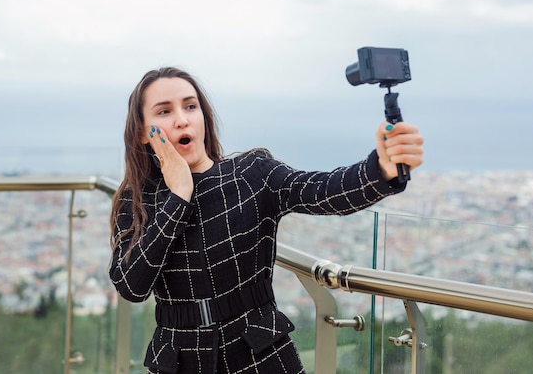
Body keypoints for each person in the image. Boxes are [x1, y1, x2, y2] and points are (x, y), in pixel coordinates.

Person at [109, 66, 424, 374]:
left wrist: (381, 170)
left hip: (260, 354)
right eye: (164, 112)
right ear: (141, 133)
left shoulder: (250, 173)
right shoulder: (137, 199)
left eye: (190, 106)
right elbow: (131, 286)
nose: (181, 120)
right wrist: (178, 196)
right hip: (177, 360)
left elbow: (321, 191)